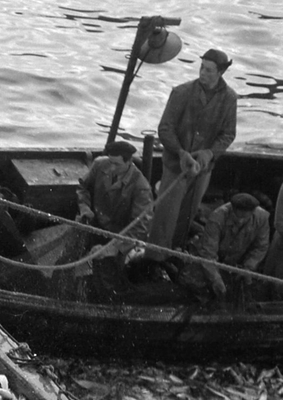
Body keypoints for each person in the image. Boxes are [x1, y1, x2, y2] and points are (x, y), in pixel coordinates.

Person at [149, 48, 238, 252]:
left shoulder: (230, 99)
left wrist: (209, 153)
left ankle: (176, 252)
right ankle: (154, 258)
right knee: (165, 216)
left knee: (187, 214)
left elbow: (228, 134)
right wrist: (180, 152)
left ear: (220, 72)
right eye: (201, 68)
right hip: (175, 166)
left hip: (202, 170)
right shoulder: (181, 92)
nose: (202, 74)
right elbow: (165, 128)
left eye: (208, 70)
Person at [182, 192, 269, 304]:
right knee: (193, 281)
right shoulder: (217, 217)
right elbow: (208, 253)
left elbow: (261, 247)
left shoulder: (262, 218)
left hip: (238, 264)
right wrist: (215, 279)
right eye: (238, 217)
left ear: (252, 212)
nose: (240, 221)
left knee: (249, 289)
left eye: (245, 218)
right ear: (232, 209)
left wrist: (248, 268)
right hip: (214, 261)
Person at [76, 141, 154, 235]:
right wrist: (85, 208)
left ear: (129, 162)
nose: (112, 168)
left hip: (119, 235)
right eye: (110, 162)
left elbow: (140, 226)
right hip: (94, 223)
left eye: (117, 164)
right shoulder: (99, 164)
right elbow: (83, 187)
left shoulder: (141, 187)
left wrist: (114, 248)